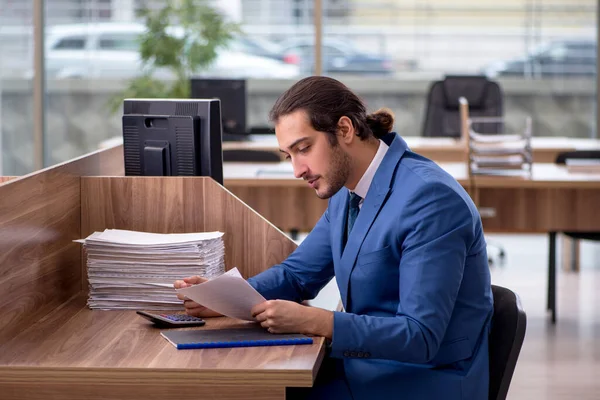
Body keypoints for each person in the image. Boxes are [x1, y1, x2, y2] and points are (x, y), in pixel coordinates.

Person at [175, 76, 493, 400]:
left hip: (422, 382)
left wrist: (321, 321)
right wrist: (228, 298)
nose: (298, 170)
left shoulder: (429, 199)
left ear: (344, 130)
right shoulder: (345, 191)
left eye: (304, 149)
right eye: (289, 156)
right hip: (364, 369)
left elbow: (420, 336)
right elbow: (298, 275)